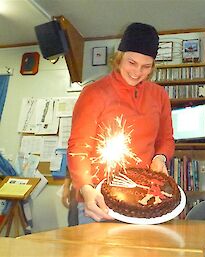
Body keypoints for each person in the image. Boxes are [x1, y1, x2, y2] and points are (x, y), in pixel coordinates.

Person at [67, 22, 175, 224]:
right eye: (131, 62)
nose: (137, 72)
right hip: (97, 199)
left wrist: (160, 157)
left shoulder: (159, 95)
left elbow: (166, 139)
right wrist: (85, 187)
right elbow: (78, 147)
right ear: (118, 58)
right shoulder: (93, 93)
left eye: (146, 66)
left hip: (141, 199)